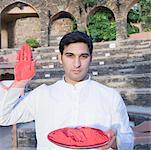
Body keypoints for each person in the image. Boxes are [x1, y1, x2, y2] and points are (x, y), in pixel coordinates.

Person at [0, 31, 134, 150]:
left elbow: (128, 140)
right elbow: (4, 118)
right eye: (70, 55)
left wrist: (114, 142)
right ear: (60, 58)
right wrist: (19, 83)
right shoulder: (42, 94)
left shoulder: (110, 96)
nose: (77, 64)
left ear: (91, 58)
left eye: (83, 56)